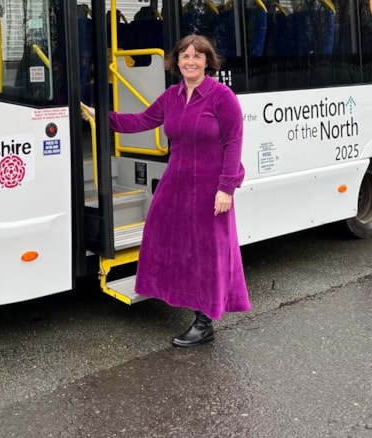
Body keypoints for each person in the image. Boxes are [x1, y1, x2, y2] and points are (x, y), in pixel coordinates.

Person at [84, 33, 250, 346]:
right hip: (176, 182)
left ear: (207, 62)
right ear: (176, 62)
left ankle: (205, 321)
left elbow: (233, 142)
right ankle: (177, 294)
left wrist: (226, 189)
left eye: (197, 57)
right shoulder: (172, 96)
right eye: (185, 57)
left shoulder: (221, 96)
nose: (191, 62)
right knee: (164, 237)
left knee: (207, 251)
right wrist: (100, 117)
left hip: (211, 186)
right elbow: (141, 120)